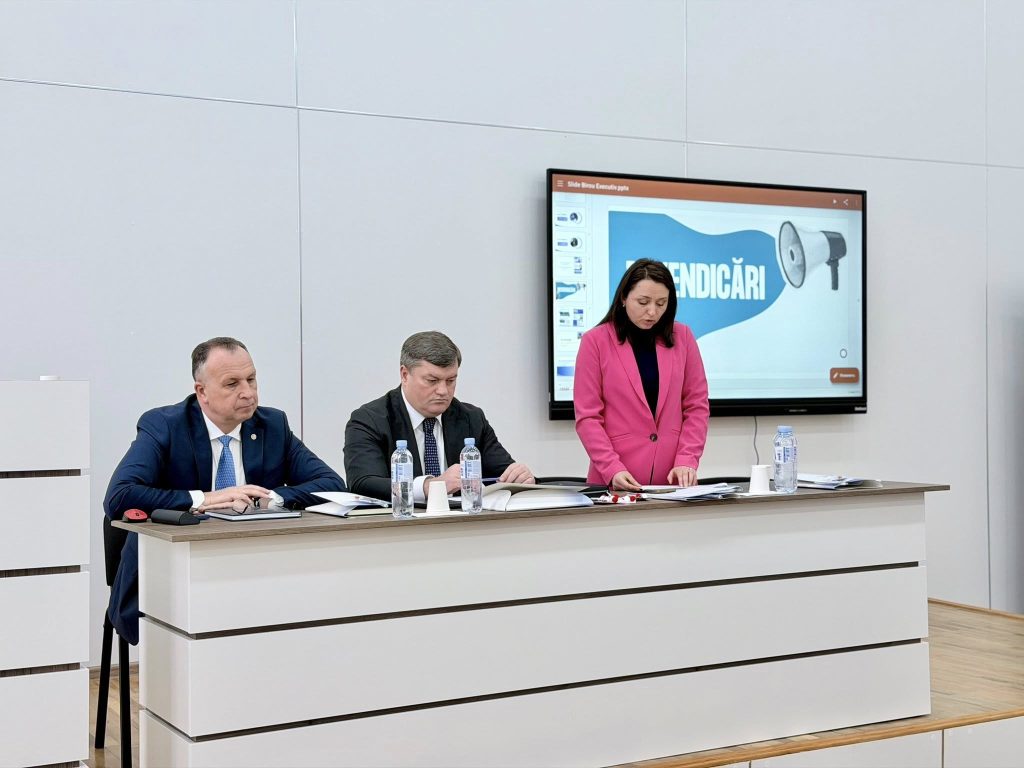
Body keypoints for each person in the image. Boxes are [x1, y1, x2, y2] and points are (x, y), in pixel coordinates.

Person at [104, 336, 345, 642]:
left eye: (251, 379)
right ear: (201, 391)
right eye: (232, 384)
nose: (248, 393)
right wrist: (203, 499)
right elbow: (119, 496)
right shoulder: (165, 425)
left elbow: (332, 484)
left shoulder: (272, 425)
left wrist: (270, 498)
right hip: (172, 576)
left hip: (255, 570)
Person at [345, 331, 534, 501]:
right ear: (404, 375)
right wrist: (430, 486)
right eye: (432, 380)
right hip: (399, 525)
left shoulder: (471, 419)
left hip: (462, 525)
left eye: (451, 380)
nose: (443, 391)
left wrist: (521, 479)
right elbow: (363, 483)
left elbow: (502, 476)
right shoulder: (370, 420)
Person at [574, 259, 710, 491]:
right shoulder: (594, 342)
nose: (652, 312)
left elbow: (697, 406)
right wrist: (611, 468)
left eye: (661, 303)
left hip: (671, 482)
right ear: (624, 297)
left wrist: (687, 459)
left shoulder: (684, 337)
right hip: (614, 482)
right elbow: (588, 418)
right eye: (643, 302)